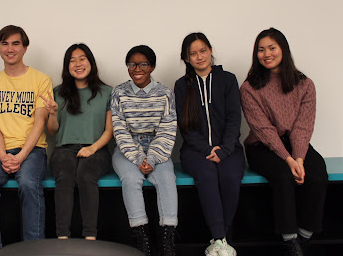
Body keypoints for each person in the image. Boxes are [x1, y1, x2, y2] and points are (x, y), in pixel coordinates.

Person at [240, 28, 328, 256]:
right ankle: (290, 241)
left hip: (295, 142)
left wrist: (298, 157)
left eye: (272, 48)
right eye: (261, 49)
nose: (266, 54)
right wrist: (289, 160)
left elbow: (303, 126)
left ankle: (305, 236)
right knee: (283, 175)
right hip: (262, 146)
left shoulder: (304, 84)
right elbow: (263, 129)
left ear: (283, 50)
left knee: (317, 173)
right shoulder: (249, 87)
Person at [0, 25, 53, 256]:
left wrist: (19, 157)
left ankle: (33, 250)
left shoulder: (41, 80)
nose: (10, 49)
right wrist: (2, 156)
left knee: (29, 184)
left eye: (15, 43)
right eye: (5, 43)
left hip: (32, 150)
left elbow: (40, 123)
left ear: (25, 47)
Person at [174, 33, 244, 256]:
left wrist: (224, 149)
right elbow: (185, 126)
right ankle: (222, 240)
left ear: (210, 51)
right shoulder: (182, 85)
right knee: (207, 174)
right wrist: (207, 149)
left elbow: (235, 119)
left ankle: (218, 240)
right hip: (195, 151)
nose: (199, 56)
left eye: (202, 51)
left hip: (229, 148)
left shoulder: (228, 79)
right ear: (186, 59)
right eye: (193, 53)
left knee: (231, 176)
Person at [111, 45, 178, 256]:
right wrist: (139, 158)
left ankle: (168, 241)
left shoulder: (165, 93)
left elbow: (167, 129)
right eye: (131, 64)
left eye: (143, 64)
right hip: (127, 148)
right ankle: (143, 240)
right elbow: (119, 130)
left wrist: (153, 158)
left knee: (167, 178)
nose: (136, 68)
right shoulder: (119, 92)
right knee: (131, 179)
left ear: (152, 66)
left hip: (158, 147)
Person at [41, 43, 112, 240]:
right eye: (72, 61)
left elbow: (109, 131)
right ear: (67, 66)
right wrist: (53, 113)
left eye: (82, 59)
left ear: (91, 62)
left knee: (86, 174)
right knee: (64, 176)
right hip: (64, 149)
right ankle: (62, 237)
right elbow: (52, 130)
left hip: (97, 149)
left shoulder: (107, 92)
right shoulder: (57, 92)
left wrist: (92, 148)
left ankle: (90, 237)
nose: (78, 64)